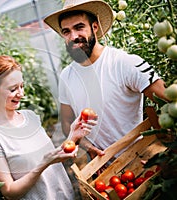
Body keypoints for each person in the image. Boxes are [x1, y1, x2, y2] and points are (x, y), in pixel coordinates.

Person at [44, 0, 167, 161]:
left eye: (79, 27)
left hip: (140, 159)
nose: (73, 36)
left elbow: (168, 101)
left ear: (95, 27)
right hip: (103, 170)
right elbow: (67, 123)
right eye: (66, 31)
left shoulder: (125, 63)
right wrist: (88, 146)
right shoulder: (66, 76)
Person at [0, 55, 97, 199]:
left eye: (21, 86)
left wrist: (73, 136)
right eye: (13, 89)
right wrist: (42, 164)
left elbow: (51, 158)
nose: (21, 94)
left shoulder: (30, 117)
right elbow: (9, 192)